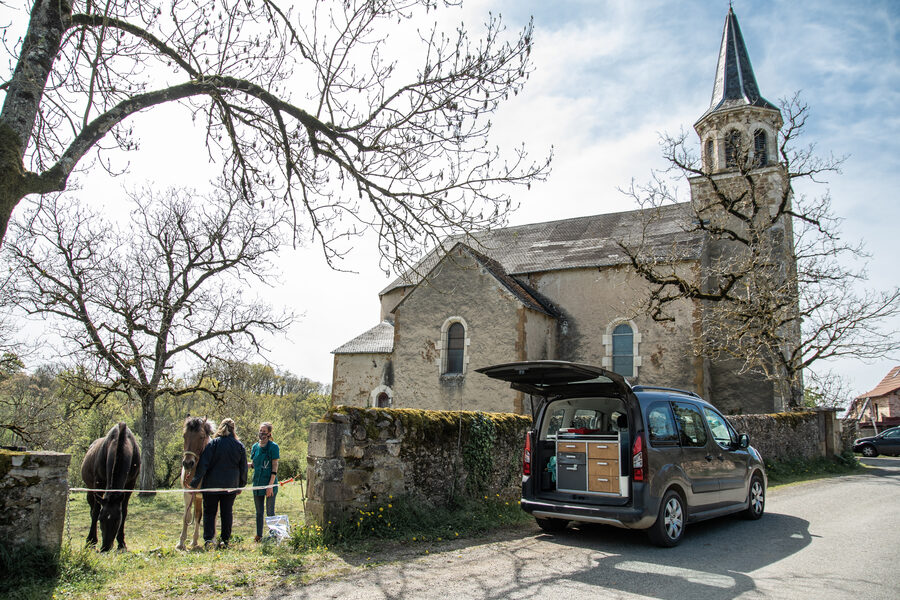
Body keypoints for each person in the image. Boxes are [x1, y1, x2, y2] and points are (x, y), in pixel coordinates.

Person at [189, 418, 248, 548]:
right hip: (230, 486)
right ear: (233, 429)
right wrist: (241, 485)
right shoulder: (239, 446)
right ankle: (225, 541)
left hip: (211, 486)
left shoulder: (213, 444)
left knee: (209, 513)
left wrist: (194, 484)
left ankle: (209, 540)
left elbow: (203, 465)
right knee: (227, 513)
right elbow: (243, 468)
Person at [249, 421, 280, 542]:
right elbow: (254, 464)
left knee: (270, 511)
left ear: (269, 433)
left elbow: (274, 467)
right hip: (257, 483)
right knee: (259, 512)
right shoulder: (255, 447)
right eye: (260, 431)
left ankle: (273, 536)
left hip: (269, 483)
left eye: (264, 431)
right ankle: (259, 535)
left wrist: (270, 486)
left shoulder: (273, 447)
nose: (262, 433)